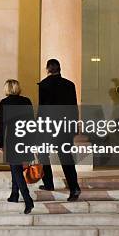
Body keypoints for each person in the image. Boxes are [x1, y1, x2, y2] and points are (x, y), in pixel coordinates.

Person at [38, 58, 81, 201]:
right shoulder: (70, 85)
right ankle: (74, 187)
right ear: (60, 69)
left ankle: (49, 183)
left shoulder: (43, 85)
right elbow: (74, 109)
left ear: (48, 69)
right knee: (66, 157)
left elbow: (42, 109)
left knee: (43, 155)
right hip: (65, 127)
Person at [0, 79, 35, 214]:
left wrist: (0, 143)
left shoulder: (4, 102)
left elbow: (2, 125)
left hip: (12, 139)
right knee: (16, 168)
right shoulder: (26, 101)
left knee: (16, 169)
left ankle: (27, 199)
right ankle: (14, 195)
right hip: (26, 138)